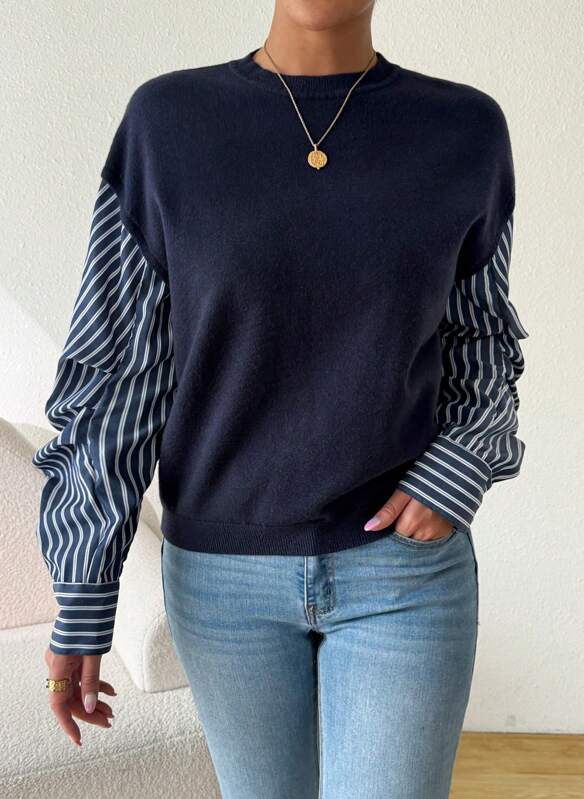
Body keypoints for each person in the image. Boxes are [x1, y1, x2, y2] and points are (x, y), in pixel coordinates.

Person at [32, 1, 529, 796]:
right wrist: (85, 590)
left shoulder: (464, 130)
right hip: (222, 581)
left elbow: (482, 339)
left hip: (402, 576)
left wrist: (461, 463)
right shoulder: (168, 123)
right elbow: (118, 371)